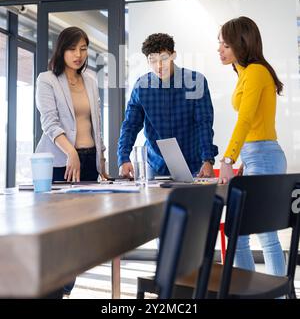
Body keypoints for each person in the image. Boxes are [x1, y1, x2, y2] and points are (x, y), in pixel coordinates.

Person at [35, 26, 107, 296]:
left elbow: (95, 124)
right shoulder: (47, 80)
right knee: (58, 232)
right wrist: (71, 152)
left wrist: (101, 162)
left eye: (83, 49)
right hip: (60, 164)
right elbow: (50, 123)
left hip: (88, 164)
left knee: (79, 234)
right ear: (61, 49)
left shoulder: (89, 80)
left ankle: (64, 285)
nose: (78, 54)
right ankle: (52, 289)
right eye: (72, 48)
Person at [218, 16, 286, 276]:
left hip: (263, 155)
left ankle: (277, 294)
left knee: (265, 234)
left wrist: (227, 160)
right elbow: (255, 122)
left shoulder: (256, 71)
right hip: (256, 154)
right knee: (238, 233)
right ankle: (246, 293)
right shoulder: (246, 73)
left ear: (241, 43)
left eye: (225, 44)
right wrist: (244, 156)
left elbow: (245, 119)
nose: (220, 50)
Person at [118, 33, 218, 179]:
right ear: (147, 60)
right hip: (156, 164)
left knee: (191, 202)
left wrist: (208, 160)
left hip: (192, 163)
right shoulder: (141, 86)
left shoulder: (196, 82)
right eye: (153, 60)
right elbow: (130, 125)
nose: (159, 66)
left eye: (164, 58)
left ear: (173, 55)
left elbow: (204, 124)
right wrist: (124, 158)